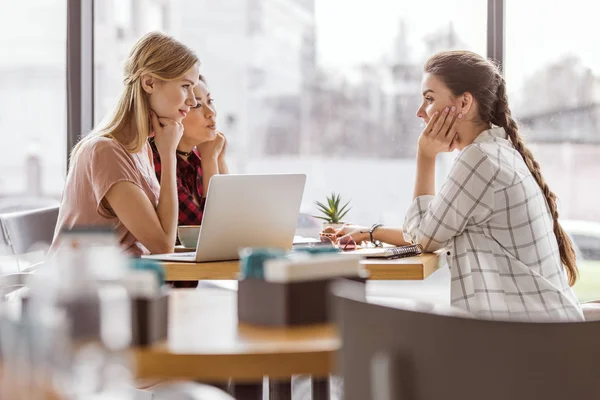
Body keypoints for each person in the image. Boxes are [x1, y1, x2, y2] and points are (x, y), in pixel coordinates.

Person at [333, 50, 583, 321]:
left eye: (429, 99)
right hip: (546, 330)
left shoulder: (480, 159)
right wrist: (371, 232)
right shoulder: (497, 150)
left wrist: (425, 157)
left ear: (464, 103)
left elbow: (425, 237)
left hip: (534, 340)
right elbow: (437, 227)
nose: (420, 113)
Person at [51, 32, 200, 256]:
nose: (193, 101)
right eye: (185, 86)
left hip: (120, 280)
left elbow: (161, 239)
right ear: (149, 82)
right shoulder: (105, 151)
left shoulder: (141, 149)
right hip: (83, 287)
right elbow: (162, 245)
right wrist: (169, 155)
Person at [150, 74, 228, 226]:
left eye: (210, 101)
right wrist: (210, 160)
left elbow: (235, 219)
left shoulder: (198, 156)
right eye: (197, 105)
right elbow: (212, 230)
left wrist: (220, 159)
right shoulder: (156, 160)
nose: (211, 112)